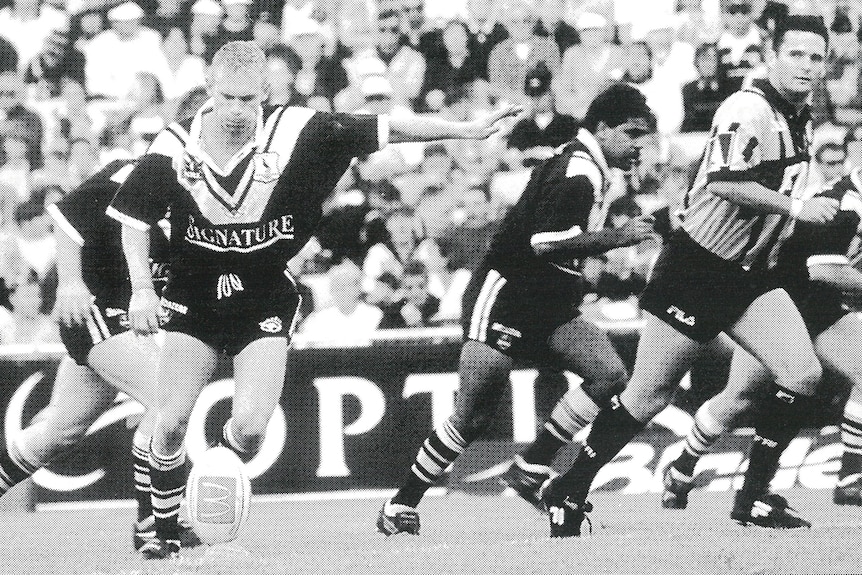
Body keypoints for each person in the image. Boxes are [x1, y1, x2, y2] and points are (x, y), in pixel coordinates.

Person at [106, 41, 519, 559]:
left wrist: (467, 129)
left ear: (265, 95)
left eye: (248, 100)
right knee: (168, 421)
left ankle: (205, 482)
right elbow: (131, 221)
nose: (238, 111)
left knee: (252, 430)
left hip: (262, 298)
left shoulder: (300, 130)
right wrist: (142, 287)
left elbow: (386, 125)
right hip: (193, 298)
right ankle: (164, 529)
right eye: (229, 98)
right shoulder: (174, 147)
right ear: (210, 90)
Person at [539, 15, 835, 538]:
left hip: (748, 273)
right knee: (648, 394)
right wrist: (795, 208)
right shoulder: (749, 108)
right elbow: (723, 183)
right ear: (772, 53)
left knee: (802, 373)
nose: (807, 66)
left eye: (817, 57)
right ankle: (568, 484)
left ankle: (752, 498)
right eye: (798, 54)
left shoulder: (801, 111)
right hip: (697, 267)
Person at [376, 82, 657, 536]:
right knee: (472, 416)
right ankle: (400, 503)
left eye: (642, 136)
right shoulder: (579, 172)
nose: (638, 145)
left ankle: (531, 467)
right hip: (506, 295)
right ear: (602, 128)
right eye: (630, 134)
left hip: (548, 299)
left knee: (609, 374)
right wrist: (618, 237)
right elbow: (543, 243)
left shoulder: (588, 163)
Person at [0, 158, 201, 551]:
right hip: (95, 309)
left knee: (58, 433)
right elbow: (64, 212)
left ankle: (157, 523)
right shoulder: (142, 170)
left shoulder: (229, 191)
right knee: (168, 398)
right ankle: (155, 527)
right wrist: (71, 283)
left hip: (134, 320)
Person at [662, 167, 862, 518]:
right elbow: (825, 270)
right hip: (785, 304)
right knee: (739, 397)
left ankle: (683, 468)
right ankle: (684, 468)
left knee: (739, 397)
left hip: (803, 303)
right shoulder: (844, 203)